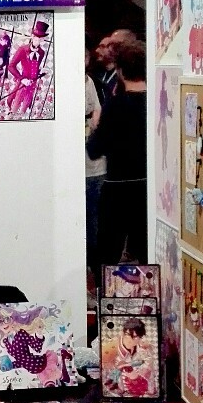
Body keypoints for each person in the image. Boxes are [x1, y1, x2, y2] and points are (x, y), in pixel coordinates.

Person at [87, 39, 147, 273]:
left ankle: (106, 295)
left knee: (107, 255)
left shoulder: (115, 105)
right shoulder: (157, 101)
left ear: (120, 71)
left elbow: (95, 150)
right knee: (147, 253)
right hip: (148, 189)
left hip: (117, 188)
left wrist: (95, 126)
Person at [85, 36, 106, 281]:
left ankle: (96, 272)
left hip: (94, 166)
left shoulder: (94, 83)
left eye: (84, 56)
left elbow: (99, 112)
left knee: (95, 221)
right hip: (72, 166)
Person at [6, 19, 50, 116]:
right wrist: (22, 79)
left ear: (43, 39)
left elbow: (35, 68)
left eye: (41, 38)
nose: (38, 40)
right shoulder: (22, 49)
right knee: (14, 109)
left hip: (32, 86)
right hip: (22, 85)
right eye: (36, 37)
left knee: (23, 111)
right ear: (32, 36)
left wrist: (41, 72)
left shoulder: (42, 53)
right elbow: (11, 66)